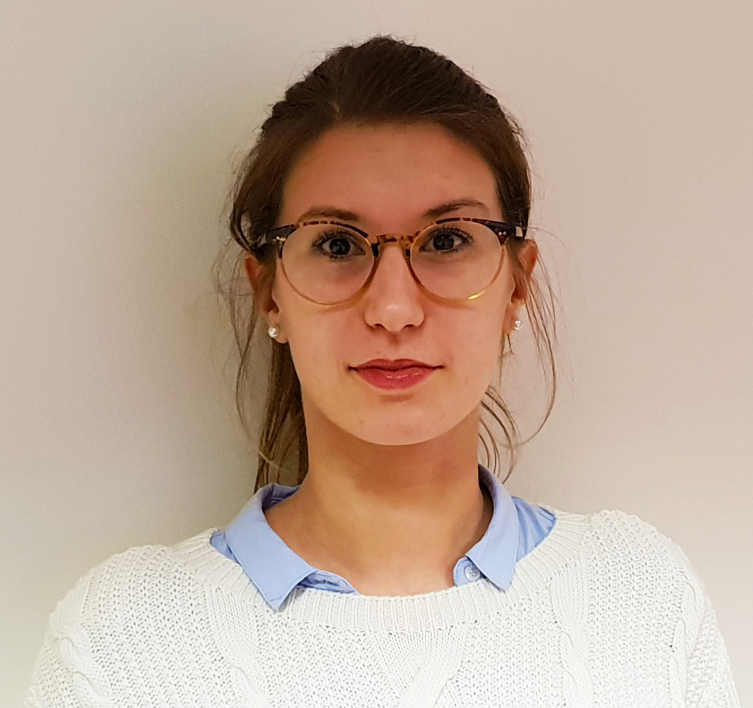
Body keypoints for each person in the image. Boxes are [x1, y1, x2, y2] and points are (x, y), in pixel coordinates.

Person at [26, 35, 740, 707]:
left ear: (516, 286)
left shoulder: (640, 597)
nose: (393, 309)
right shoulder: (120, 643)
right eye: (337, 245)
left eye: (447, 240)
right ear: (269, 292)